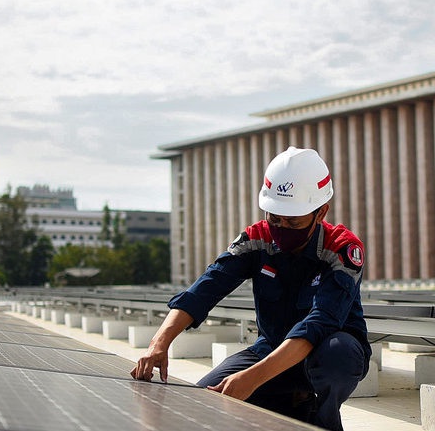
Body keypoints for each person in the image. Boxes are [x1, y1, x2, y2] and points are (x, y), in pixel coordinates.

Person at [131, 146, 370, 431]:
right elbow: (206, 288)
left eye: (293, 221)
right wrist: (159, 343)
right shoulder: (256, 240)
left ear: (321, 213)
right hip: (269, 350)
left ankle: (321, 419)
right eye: (275, 217)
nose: (281, 227)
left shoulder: (341, 249)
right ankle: (288, 403)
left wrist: (252, 379)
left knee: (337, 354)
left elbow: (319, 324)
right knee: (202, 404)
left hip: (324, 354)